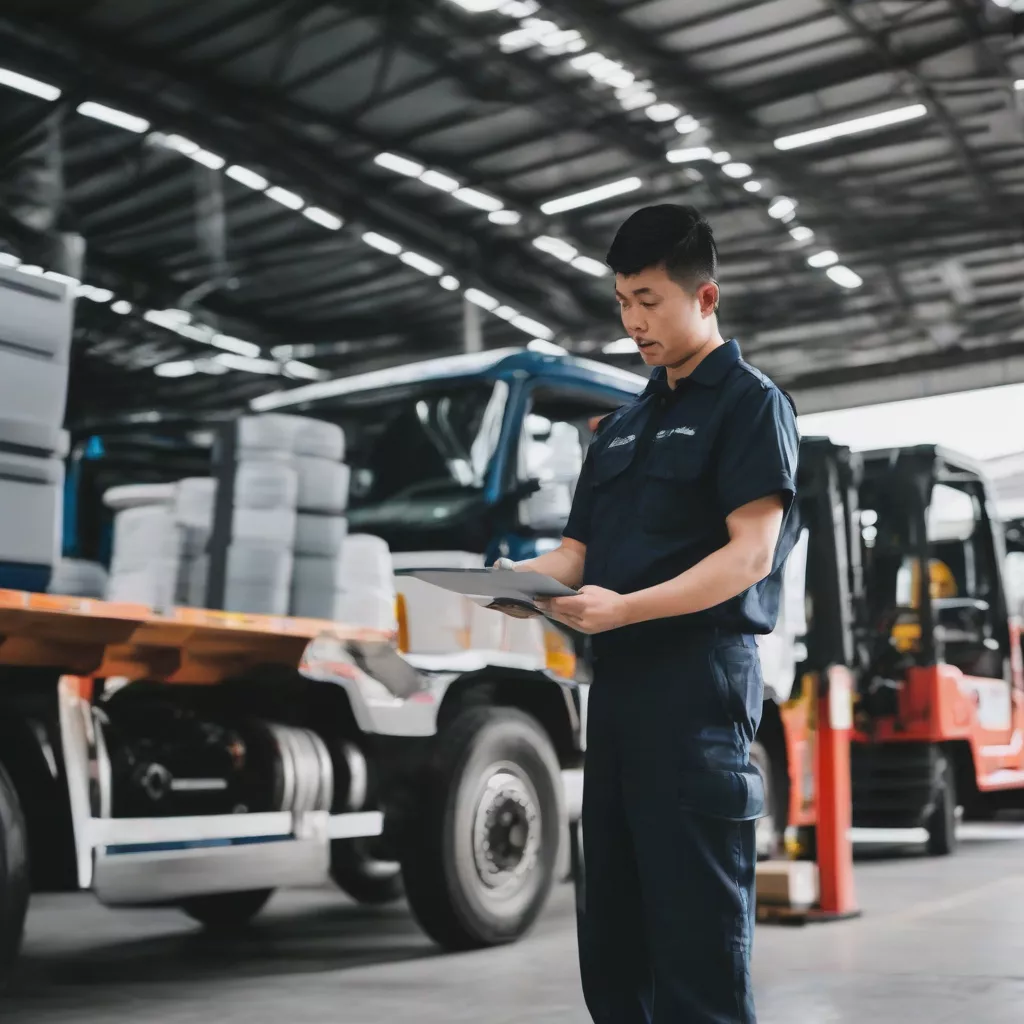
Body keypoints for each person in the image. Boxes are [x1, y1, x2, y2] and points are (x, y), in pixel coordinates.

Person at [496, 204, 800, 1022]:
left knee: (694, 945)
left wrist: (626, 610)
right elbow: (577, 556)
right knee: (616, 943)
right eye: (623, 301)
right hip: (621, 703)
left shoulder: (750, 405)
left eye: (650, 301)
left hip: (697, 695)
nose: (634, 322)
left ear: (705, 296)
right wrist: (522, 583)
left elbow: (750, 555)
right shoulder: (624, 428)